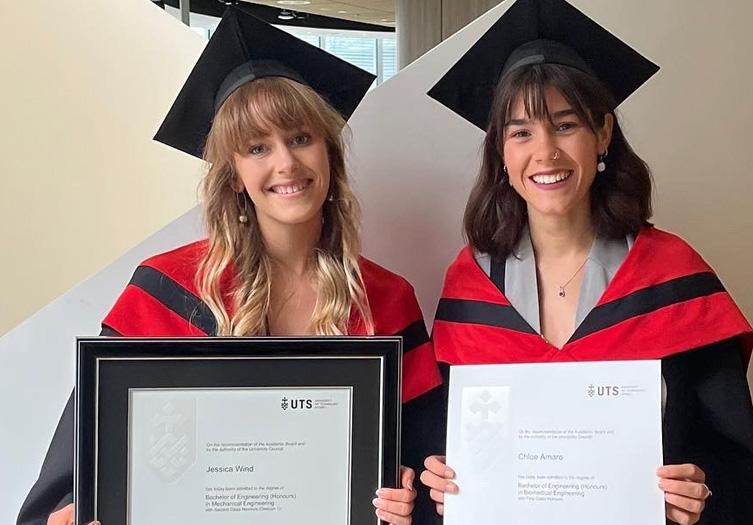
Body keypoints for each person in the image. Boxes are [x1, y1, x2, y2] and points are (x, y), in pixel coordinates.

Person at [18, 8, 444, 525]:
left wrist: (408, 499)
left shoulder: (384, 297)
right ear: (235, 176)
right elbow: (74, 477)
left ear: (329, 153)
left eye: (301, 138)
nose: (285, 163)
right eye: (257, 147)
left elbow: (427, 470)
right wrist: (70, 516)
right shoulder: (165, 290)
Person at [421, 1, 753, 524]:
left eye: (565, 125)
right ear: (501, 151)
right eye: (520, 132)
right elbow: (448, 450)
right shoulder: (470, 284)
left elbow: (737, 463)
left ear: (603, 134)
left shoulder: (670, 275)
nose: (545, 152)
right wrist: (439, 478)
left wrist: (701, 492)